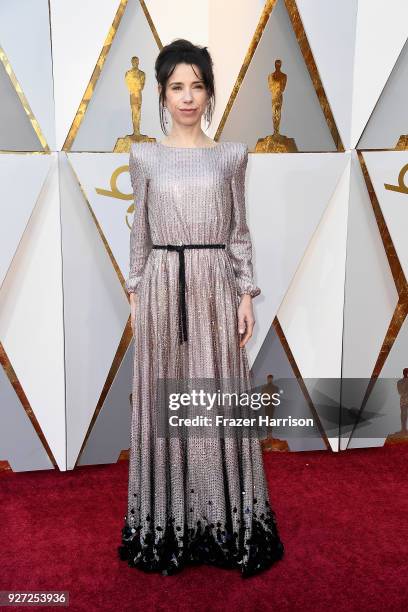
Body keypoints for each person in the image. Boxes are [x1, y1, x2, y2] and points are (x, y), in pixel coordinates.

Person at [118, 38, 284, 577]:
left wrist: (245, 294)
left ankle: (223, 521)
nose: (187, 97)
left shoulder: (231, 155)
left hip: (214, 286)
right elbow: (139, 232)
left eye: (197, 85)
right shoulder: (144, 155)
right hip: (163, 287)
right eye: (176, 87)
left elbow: (239, 232)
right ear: (162, 95)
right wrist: (137, 295)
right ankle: (169, 522)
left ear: (210, 93)